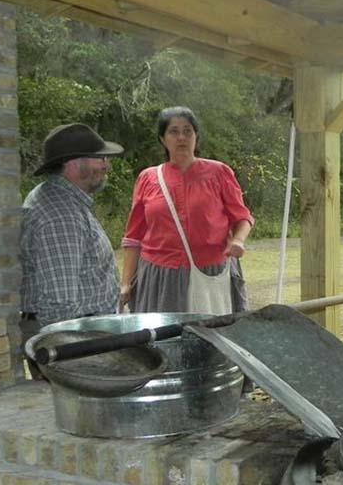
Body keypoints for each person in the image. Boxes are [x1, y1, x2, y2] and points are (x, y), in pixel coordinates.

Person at [120, 106, 254, 314]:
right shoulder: (148, 178)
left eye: (187, 131)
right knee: (163, 340)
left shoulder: (219, 173)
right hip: (160, 278)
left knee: (214, 338)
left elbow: (242, 217)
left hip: (210, 274)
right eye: (173, 131)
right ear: (163, 140)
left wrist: (238, 240)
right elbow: (133, 237)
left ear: (196, 137)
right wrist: (126, 283)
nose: (181, 137)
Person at [20, 123, 125, 376]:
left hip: (80, 341)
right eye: (100, 158)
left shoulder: (63, 202)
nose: (106, 165)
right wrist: (74, 364)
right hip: (73, 348)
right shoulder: (60, 215)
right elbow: (60, 304)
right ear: (73, 164)